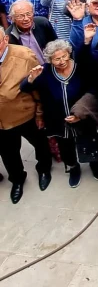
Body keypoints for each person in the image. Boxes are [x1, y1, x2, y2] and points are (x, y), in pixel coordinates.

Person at [20, 39, 98, 187]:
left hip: (82, 115)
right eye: (57, 59)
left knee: (89, 141)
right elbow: (24, 88)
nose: (62, 61)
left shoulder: (80, 68)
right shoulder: (45, 71)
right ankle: (73, 169)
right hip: (58, 119)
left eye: (64, 56)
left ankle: (95, 164)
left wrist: (80, 113)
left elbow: (93, 89)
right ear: (50, 60)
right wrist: (30, 78)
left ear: (69, 54)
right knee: (65, 146)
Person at [0, 26, 52, 203]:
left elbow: (37, 85)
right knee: (8, 153)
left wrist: (39, 112)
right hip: (1, 121)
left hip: (25, 113)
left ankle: (44, 169)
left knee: (40, 143)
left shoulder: (24, 55)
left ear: (5, 40)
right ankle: (17, 180)